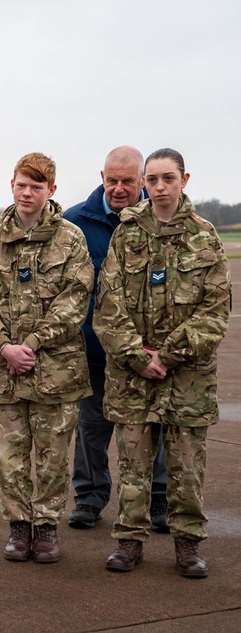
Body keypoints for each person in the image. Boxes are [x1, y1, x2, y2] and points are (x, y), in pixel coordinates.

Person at [95, 148, 230, 578]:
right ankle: (129, 541)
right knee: (133, 464)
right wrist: (137, 357)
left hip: (186, 376)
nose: (158, 187)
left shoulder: (204, 236)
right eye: (151, 180)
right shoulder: (127, 233)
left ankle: (187, 544)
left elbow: (215, 312)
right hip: (133, 376)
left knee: (187, 466)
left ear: (184, 180)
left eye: (167, 178)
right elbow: (107, 304)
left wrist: (167, 356)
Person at [0, 153, 94, 564]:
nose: (28, 193)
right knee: (10, 456)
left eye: (37, 187)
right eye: (22, 184)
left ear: (51, 191)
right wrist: (5, 346)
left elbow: (75, 301)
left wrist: (34, 343)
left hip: (56, 371)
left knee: (53, 456)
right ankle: (18, 528)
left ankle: (46, 528)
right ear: (12, 184)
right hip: (7, 371)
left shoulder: (71, 239)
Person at [65, 146, 169, 532]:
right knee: (91, 428)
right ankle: (90, 498)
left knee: (151, 427)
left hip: (147, 353)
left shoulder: (160, 219)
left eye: (128, 180)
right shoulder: (75, 222)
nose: (120, 188)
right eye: (113, 180)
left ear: (142, 180)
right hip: (93, 349)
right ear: (102, 177)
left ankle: (158, 501)